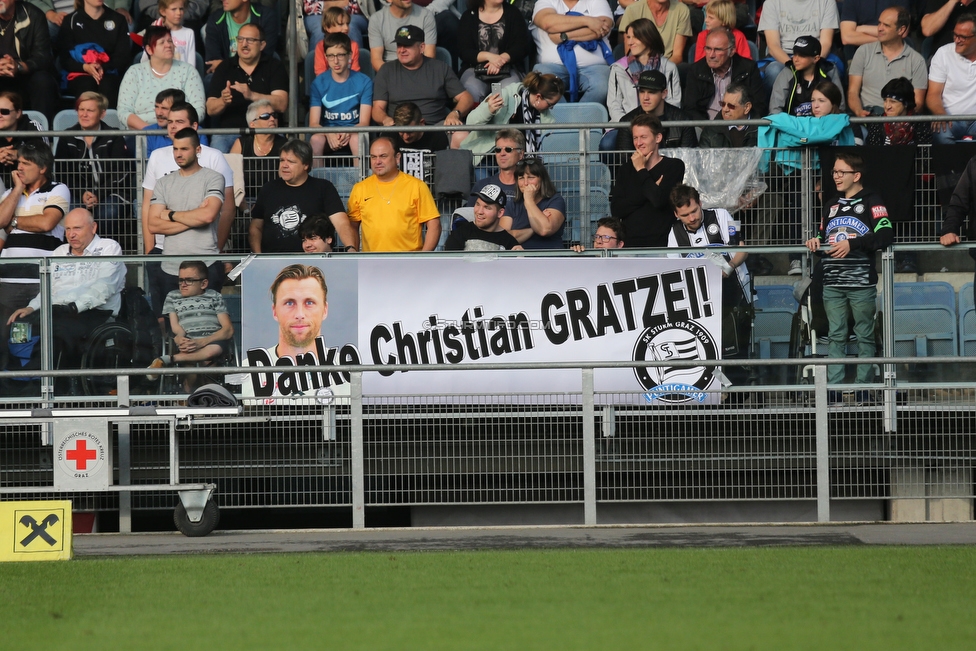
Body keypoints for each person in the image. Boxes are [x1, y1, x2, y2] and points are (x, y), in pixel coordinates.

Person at [805, 152, 892, 402]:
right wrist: (815, 241)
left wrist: (851, 245)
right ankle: (832, 392)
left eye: (841, 172)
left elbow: (885, 235)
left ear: (857, 175)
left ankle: (864, 391)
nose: (836, 176)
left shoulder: (873, 200)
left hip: (861, 283)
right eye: (834, 172)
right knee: (836, 335)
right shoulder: (831, 204)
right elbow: (824, 235)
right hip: (832, 283)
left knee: (865, 335)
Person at [6, 208, 125, 371]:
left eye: (77, 228)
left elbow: (104, 287)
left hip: (95, 312)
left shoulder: (109, 248)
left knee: (59, 330)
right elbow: (48, 290)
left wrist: (75, 307)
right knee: (17, 325)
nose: (71, 234)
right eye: (67, 229)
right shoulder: (59, 252)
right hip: (57, 312)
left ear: (93, 227)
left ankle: (44, 380)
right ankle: (16, 379)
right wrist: (31, 307)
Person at [760, 80, 854, 275]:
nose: (815, 105)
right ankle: (797, 259)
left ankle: (830, 253)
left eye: (822, 100)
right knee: (797, 202)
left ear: (834, 104)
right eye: (813, 100)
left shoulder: (842, 122)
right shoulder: (805, 122)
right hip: (802, 175)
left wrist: (824, 181)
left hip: (832, 179)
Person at [141, 102, 235, 283]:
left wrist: (217, 247)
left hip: (204, 252)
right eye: (170, 122)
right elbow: (148, 209)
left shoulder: (213, 157)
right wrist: (149, 250)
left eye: (179, 121)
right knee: (164, 310)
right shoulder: (157, 156)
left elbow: (228, 210)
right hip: (162, 252)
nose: (173, 126)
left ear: (194, 126)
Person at [668, 184, 752, 377]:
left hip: (736, 299)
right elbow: (675, 271)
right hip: (702, 306)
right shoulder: (674, 234)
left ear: (700, 203)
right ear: (676, 214)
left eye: (695, 211)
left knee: (736, 360)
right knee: (708, 358)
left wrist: (728, 268)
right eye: (685, 215)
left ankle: (738, 400)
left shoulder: (722, 215)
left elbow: (743, 248)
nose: (692, 218)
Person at [0, 141, 70, 370]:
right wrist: (17, 189)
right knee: (4, 337)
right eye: (19, 162)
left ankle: (35, 390)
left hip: (41, 280)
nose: (19, 168)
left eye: (26, 164)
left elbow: (47, 222)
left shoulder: (58, 189)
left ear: (42, 168)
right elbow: (0, 222)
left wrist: (15, 222)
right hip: (8, 281)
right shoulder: (11, 194)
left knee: (36, 338)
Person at [146, 128, 226, 313]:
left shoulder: (213, 178)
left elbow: (208, 216)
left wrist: (171, 214)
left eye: (184, 149)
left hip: (206, 265)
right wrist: (195, 217)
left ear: (198, 150)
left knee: (209, 325)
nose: (178, 154)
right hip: (170, 268)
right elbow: (153, 225)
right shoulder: (163, 183)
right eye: (175, 149)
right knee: (174, 331)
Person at [54, 91, 134, 248]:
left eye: (90, 110)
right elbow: (62, 174)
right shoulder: (67, 136)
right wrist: (83, 192)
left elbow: (120, 172)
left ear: (102, 114)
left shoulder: (114, 136)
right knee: (71, 212)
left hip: (111, 192)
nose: (84, 114)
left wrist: (98, 195)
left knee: (108, 213)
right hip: (77, 193)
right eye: (81, 110)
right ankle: (76, 253)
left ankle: (103, 251)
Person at [249, 138, 358, 253]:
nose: (284, 165)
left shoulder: (323, 188)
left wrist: (350, 248)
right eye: (282, 160)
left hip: (311, 263)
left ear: (306, 165)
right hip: (273, 262)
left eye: (291, 162)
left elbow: (341, 223)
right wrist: (258, 256)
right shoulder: (268, 189)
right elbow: (256, 227)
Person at [148, 259, 234, 390]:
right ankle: (190, 394)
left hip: (213, 339)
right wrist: (179, 337)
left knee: (212, 353)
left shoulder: (214, 296)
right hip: (188, 339)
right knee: (190, 364)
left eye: (189, 280)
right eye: (180, 280)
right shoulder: (172, 296)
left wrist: (202, 342)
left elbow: (228, 330)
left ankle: (168, 359)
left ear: (203, 283)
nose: (183, 284)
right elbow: (174, 325)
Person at [347, 136, 441, 252]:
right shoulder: (359, 189)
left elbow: (434, 224)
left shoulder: (416, 186)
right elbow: (352, 226)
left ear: (397, 158)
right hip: (371, 263)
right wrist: (354, 256)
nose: (377, 162)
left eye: (383, 156)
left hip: (408, 261)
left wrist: (422, 258)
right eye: (373, 157)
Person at [205, 23, 287, 153]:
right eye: (240, 39)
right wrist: (223, 101)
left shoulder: (274, 66)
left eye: (250, 40)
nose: (244, 44)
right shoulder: (224, 67)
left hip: (266, 131)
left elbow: (282, 104)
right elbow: (210, 109)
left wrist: (252, 95)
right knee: (218, 158)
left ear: (262, 45)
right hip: (229, 133)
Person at [371, 25, 473, 128]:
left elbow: (466, 98)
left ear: (422, 47)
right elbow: (377, 108)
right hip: (398, 128)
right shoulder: (386, 70)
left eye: (407, 45)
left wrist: (455, 113)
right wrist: (385, 119)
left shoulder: (440, 68)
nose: (402, 50)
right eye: (399, 45)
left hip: (435, 129)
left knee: (460, 134)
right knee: (380, 145)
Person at [610, 113, 685, 248]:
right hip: (631, 244)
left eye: (643, 137)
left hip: (663, 243)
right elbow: (617, 209)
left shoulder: (674, 166)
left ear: (658, 137)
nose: (638, 143)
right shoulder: (626, 170)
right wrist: (649, 189)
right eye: (635, 138)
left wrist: (640, 169)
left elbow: (658, 200)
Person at [459, 72, 562, 164]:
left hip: (519, 165)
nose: (551, 108)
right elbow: (470, 122)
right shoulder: (507, 95)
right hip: (487, 159)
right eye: (550, 104)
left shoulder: (546, 118)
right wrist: (489, 110)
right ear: (539, 97)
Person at [117, 25, 205, 129]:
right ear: (149, 49)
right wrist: (151, 132)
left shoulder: (188, 71)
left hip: (180, 133)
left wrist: (175, 129)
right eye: (162, 42)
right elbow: (124, 111)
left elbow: (199, 110)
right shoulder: (134, 72)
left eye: (170, 41)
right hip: (140, 134)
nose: (168, 45)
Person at [847, 7, 926, 118]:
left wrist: (899, 119)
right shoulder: (863, 51)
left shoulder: (917, 61)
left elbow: (918, 103)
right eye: (879, 23)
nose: (880, 28)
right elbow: (852, 92)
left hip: (899, 119)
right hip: (868, 115)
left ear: (901, 30)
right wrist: (859, 112)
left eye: (886, 25)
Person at [531, 0, 614, 103]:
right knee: (544, 84)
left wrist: (563, 36)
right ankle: (565, 118)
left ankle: (577, 118)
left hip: (595, 68)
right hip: (551, 67)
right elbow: (548, 23)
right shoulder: (545, 1)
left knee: (602, 87)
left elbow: (602, 27)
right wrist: (587, 21)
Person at [309, 32, 372, 160]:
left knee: (357, 139)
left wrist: (348, 132)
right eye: (331, 56)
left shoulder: (364, 82)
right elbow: (313, 123)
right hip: (328, 135)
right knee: (316, 140)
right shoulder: (318, 83)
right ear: (325, 57)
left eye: (340, 55)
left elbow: (364, 122)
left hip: (353, 133)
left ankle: (360, 180)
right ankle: (318, 179)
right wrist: (328, 133)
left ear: (350, 55)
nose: (335, 61)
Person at [683, 27, 767, 121]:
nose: (711, 55)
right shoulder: (696, 70)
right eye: (708, 48)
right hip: (705, 127)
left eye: (718, 50)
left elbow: (759, 106)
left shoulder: (748, 69)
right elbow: (690, 109)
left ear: (732, 51)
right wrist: (706, 130)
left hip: (740, 125)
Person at [607, 17, 681, 125]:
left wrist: (654, 126)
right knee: (608, 142)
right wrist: (629, 126)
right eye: (628, 37)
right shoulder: (618, 68)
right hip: (625, 126)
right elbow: (614, 105)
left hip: (660, 126)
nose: (630, 42)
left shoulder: (668, 68)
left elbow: (674, 103)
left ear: (649, 37)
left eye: (635, 37)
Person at [56, 0, 130, 106]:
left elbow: (123, 57)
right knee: (86, 84)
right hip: (80, 73)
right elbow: (65, 57)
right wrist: (84, 67)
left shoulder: (118, 19)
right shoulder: (70, 20)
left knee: (108, 85)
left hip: (109, 72)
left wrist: (102, 67)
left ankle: (109, 122)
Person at [757, 0, 837, 94]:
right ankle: (774, 108)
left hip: (814, 56)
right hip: (784, 57)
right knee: (774, 71)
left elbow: (826, 43)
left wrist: (812, 63)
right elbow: (773, 45)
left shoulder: (827, 1)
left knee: (832, 70)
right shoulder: (771, 2)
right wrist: (794, 66)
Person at [456, 0, 529, 102]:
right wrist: (489, 57)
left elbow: (521, 47)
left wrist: (500, 60)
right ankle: (476, 118)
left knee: (507, 92)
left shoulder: (514, 13)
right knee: (472, 90)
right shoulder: (468, 16)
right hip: (474, 69)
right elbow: (464, 51)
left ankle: (504, 118)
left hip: (508, 68)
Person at [0, 0, 61, 121]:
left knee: (42, 81)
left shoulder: (34, 15)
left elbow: (43, 57)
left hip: (27, 74)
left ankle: (42, 135)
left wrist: (18, 67)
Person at [611, 69, 696, 151]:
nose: (645, 97)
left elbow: (689, 158)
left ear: (664, 93)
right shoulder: (627, 121)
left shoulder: (684, 120)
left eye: (651, 92)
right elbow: (624, 161)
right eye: (642, 91)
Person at [927, 14, 976, 145]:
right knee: (942, 134)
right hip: (950, 119)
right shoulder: (943, 54)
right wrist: (940, 114)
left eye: (963, 37)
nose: (957, 40)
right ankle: (952, 166)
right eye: (955, 35)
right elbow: (933, 95)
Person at [769, 35, 845, 116]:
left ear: (816, 58)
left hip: (823, 125)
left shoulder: (829, 72)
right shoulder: (788, 72)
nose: (796, 59)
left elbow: (839, 106)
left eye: (802, 56)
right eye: (795, 54)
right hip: (792, 126)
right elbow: (775, 109)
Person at [500, 157, 566, 249]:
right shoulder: (513, 205)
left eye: (531, 177)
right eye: (521, 178)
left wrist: (529, 201)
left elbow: (545, 230)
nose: (526, 183)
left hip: (550, 258)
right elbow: (503, 238)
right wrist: (532, 230)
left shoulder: (555, 200)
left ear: (542, 179)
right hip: (521, 259)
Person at [203, 0, 279, 75]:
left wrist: (224, 65)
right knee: (210, 79)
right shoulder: (215, 19)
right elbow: (213, 62)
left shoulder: (266, 17)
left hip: (257, 75)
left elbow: (265, 57)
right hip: (225, 78)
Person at [230, 99, 287, 198]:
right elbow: (230, 175)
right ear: (252, 124)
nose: (272, 119)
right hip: (244, 200)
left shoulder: (284, 144)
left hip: (274, 199)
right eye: (266, 116)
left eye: (274, 115)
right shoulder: (241, 144)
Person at [446, 183, 521, 250]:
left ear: (500, 213)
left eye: (487, 207)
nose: (479, 211)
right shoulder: (460, 234)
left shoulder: (510, 243)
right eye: (478, 204)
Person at [368, 0, 437, 72]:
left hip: (418, 72)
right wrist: (393, 77)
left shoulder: (426, 16)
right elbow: (376, 60)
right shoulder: (376, 19)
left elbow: (429, 56)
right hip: (390, 74)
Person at [617, 0, 692, 63]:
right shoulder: (632, 10)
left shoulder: (682, 10)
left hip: (666, 65)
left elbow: (677, 56)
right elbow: (630, 53)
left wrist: (661, 70)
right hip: (638, 65)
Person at [865, 77, 932, 146]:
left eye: (893, 102)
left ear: (906, 103)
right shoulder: (877, 123)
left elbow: (923, 153)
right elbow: (873, 154)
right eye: (885, 100)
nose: (887, 106)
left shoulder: (920, 123)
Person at [466, 128, 523, 207]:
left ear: (521, 154)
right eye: (498, 150)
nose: (502, 153)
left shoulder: (528, 186)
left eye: (508, 149)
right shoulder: (481, 185)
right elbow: (469, 214)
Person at [698, 81, 757, 147]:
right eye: (723, 104)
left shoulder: (762, 131)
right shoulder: (710, 131)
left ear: (747, 108)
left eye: (731, 106)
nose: (725, 109)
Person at [0, 90, 43, 175]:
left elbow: (44, 155)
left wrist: (19, 154)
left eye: (4, 112)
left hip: (29, 184)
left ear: (18, 113)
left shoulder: (31, 126)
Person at [313, 6, 361, 75]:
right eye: (341, 24)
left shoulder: (353, 45)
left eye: (347, 24)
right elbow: (320, 73)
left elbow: (355, 72)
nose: (346, 28)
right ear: (327, 27)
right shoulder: (320, 47)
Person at [146, 0, 196, 64]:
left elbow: (191, 64)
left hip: (183, 73)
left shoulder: (189, 33)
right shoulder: (155, 30)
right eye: (174, 9)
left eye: (181, 9)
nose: (178, 13)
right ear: (163, 11)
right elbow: (145, 60)